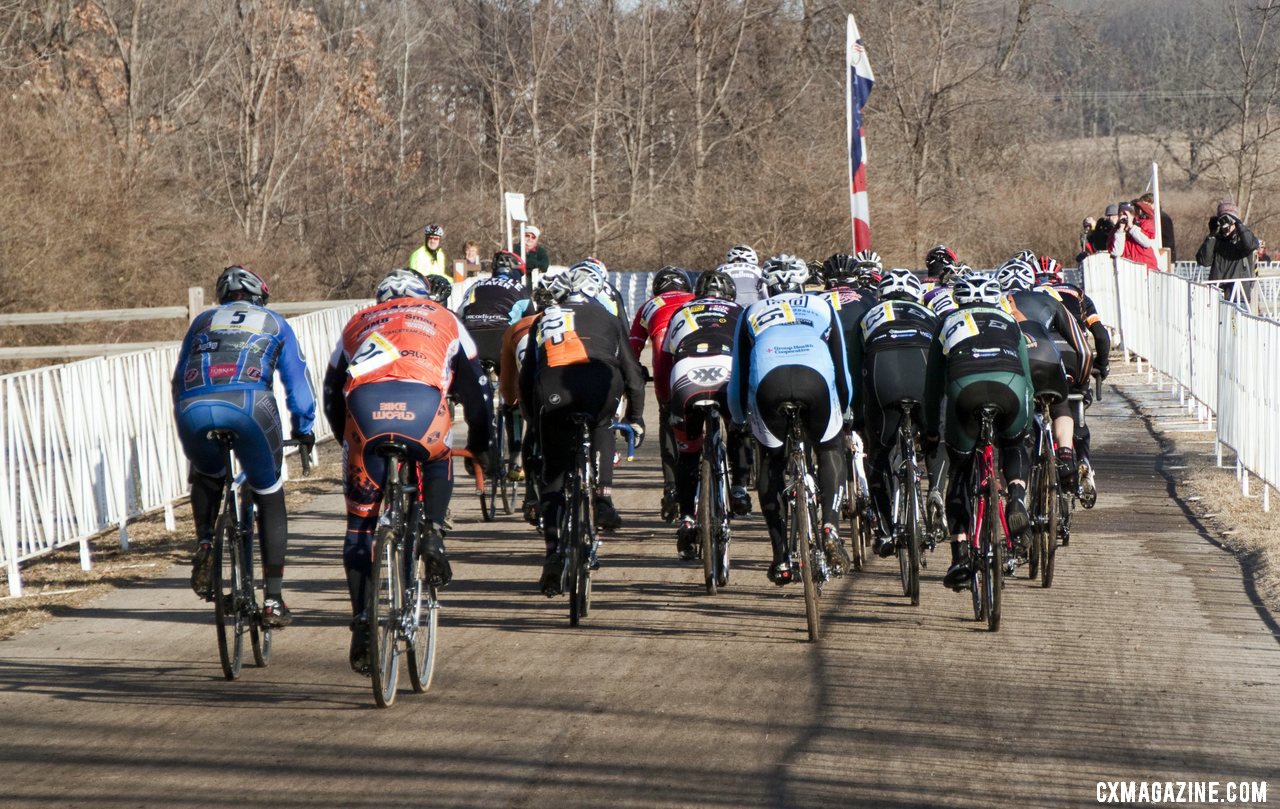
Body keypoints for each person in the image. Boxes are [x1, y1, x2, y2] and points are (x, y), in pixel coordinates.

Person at [322, 269, 491, 674]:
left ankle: (363, 621)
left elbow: (331, 392)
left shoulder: (359, 321)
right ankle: (432, 533)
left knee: (360, 528)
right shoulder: (443, 316)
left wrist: (350, 439)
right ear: (425, 294)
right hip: (421, 407)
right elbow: (477, 390)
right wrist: (484, 447)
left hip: (366, 411)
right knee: (436, 458)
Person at [176, 265, 316, 628]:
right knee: (269, 492)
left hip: (193, 407)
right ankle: (272, 599)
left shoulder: (203, 321)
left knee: (206, 472)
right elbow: (298, 385)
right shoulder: (274, 321)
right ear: (259, 297)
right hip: (249, 404)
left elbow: (179, 378)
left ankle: (206, 543)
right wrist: (304, 429)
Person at [520, 263, 646, 594]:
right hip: (599, 383)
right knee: (602, 421)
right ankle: (603, 498)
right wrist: (636, 417)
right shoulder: (606, 313)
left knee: (554, 476)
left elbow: (527, 375)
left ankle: (552, 557)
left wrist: (535, 422)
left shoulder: (544, 318)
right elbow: (633, 372)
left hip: (554, 389)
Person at [729, 255, 854, 583]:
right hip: (815, 381)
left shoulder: (751, 312)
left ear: (766, 286)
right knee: (829, 449)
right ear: (802, 284)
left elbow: (739, 376)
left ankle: (781, 557)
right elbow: (842, 367)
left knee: (771, 462)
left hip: (769, 383)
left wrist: (740, 418)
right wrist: (848, 407)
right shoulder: (822, 305)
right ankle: (829, 525)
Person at [934, 275, 1033, 591]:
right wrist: (1025, 425)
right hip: (1011, 388)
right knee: (1015, 446)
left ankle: (960, 553)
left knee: (960, 470)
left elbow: (933, 384)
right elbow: (1027, 378)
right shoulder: (1009, 320)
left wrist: (930, 428)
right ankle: (1016, 497)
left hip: (966, 391)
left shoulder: (948, 320)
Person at [847, 268, 944, 559]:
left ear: (881, 295)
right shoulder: (930, 315)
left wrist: (860, 417)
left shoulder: (868, 316)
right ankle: (936, 491)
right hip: (923, 368)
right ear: (916, 295)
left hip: (883, 373)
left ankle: (886, 530)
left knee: (878, 455)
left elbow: (854, 371)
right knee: (934, 438)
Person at [662, 269, 751, 557]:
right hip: (726, 370)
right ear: (731, 295)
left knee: (688, 453)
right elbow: (751, 356)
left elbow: (665, 361)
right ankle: (739, 487)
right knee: (738, 426)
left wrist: (667, 403)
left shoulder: (681, 310)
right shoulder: (740, 311)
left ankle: (688, 518)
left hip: (686, 374)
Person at [998, 258, 1091, 497]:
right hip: (1047, 357)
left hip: (1015, 363)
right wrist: (1081, 382)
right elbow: (1083, 349)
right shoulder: (1049, 299)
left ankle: (1016, 487)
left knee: (1013, 421)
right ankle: (1066, 454)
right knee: (1061, 407)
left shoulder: (997, 304)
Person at [1036, 257, 1109, 507]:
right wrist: (1103, 365)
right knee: (1074, 408)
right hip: (1075, 356)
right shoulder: (1077, 294)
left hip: (1039, 356)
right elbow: (1100, 334)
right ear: (1060, 278)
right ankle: (1083, 461)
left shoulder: (1026, 294)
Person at [629, 266, 696, 522]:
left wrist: (634, 374)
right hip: (706, 365)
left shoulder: (648, 305)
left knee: (669, 418)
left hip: (665, 366)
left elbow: (632, 349)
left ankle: (670, 487)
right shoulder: (697, 300)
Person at [1197, 201, 1260, 305]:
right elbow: (1204, 261)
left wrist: (1239, 224)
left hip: (1239, 294)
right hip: (1217, 292)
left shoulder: (1243, 238)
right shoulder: (1215, 240)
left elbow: (1251, 245)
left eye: (1229, 224)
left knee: (1237, 321)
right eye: (1223, 225)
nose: (1226, 229)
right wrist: (1212, 234)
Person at [1111, 201, 1159, 271]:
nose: (1124, 217)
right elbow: (1117, 252)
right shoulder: (1115, 232)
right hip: (1128, 271)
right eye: (1121, 214)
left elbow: (1147, 243)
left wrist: (1131, 226)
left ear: (1134, 215)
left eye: (1127, 214)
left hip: (1147, 269)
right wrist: (1121, 230)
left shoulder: (1143, 225)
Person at [1138, 192, 1175, 263]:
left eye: (1145, 205)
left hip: (1164, 257)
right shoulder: (1146, 218)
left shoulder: (1163, 218)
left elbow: (1168, 241)